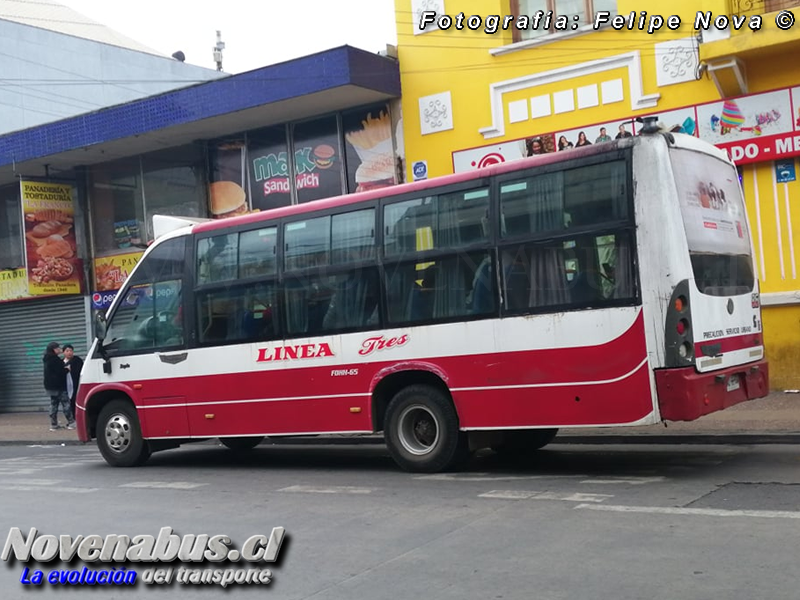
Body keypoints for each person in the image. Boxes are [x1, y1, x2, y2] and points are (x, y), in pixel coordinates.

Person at [42, 342, 74, 431]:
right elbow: (60, 372)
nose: (60, 350)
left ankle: (54, 424)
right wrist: (67, 370)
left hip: (50, 386)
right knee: (66, 403)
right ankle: (71, 422)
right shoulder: (55, 360)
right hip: (58, 385)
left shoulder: (47, 359)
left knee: (53, 404)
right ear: (54, 349)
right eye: (58, 348)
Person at [62, 344, 83, 420]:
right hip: (65, 384)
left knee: (75, 399)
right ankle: (70, 418)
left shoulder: (77, 360)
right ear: (63, 352)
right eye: (67, 351)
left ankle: (76, 417)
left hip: (75, 383)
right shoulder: (61, 362)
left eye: (71, 351)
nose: (69, 353)